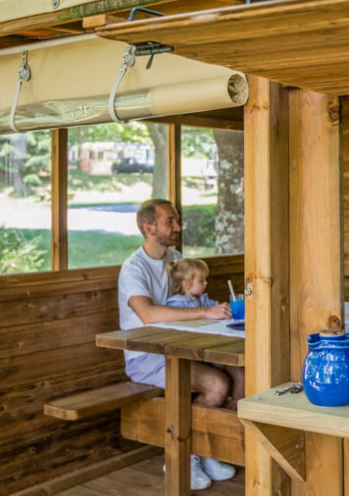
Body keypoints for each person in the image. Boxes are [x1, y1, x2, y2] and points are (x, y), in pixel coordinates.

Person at [118, 199, 243, 490]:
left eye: (176, 220)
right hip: (147, 357)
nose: (178, 226)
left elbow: (191, 300)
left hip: (182, 347)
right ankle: (183, 456)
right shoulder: (133, 268)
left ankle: (210, 449)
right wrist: (204, 312)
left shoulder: (175, 257)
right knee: (216, 385)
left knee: (243, 376)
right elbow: (147, 315)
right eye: (170, 221)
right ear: (150, 228)